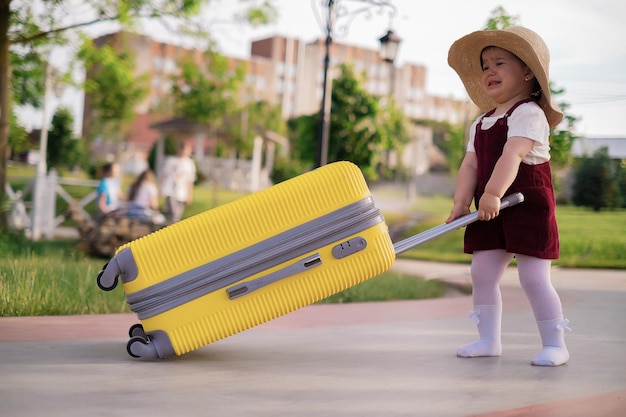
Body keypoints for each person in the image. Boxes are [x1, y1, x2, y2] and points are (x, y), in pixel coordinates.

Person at [445, 27, 570, 366]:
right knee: (482, 272)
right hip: (490, 207)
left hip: (525, 205)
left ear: (528, 72)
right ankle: (488, 340)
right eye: (485, 66)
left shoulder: (529, 113)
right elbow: (470, 164)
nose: (490, 71)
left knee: (533, 277)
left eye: (500, 63)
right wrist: (461, 202)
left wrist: (492, 193)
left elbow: (512, 155)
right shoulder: (481, 122)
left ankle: (555, 344)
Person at [159, 142, 197, 223]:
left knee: (178, 215)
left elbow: (190, 180)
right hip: (171, 191)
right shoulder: (171, 161)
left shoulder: (190, 164)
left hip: (182, 193)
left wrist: (189, 195)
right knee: (174, 214)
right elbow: (164, 175)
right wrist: (160, 189)